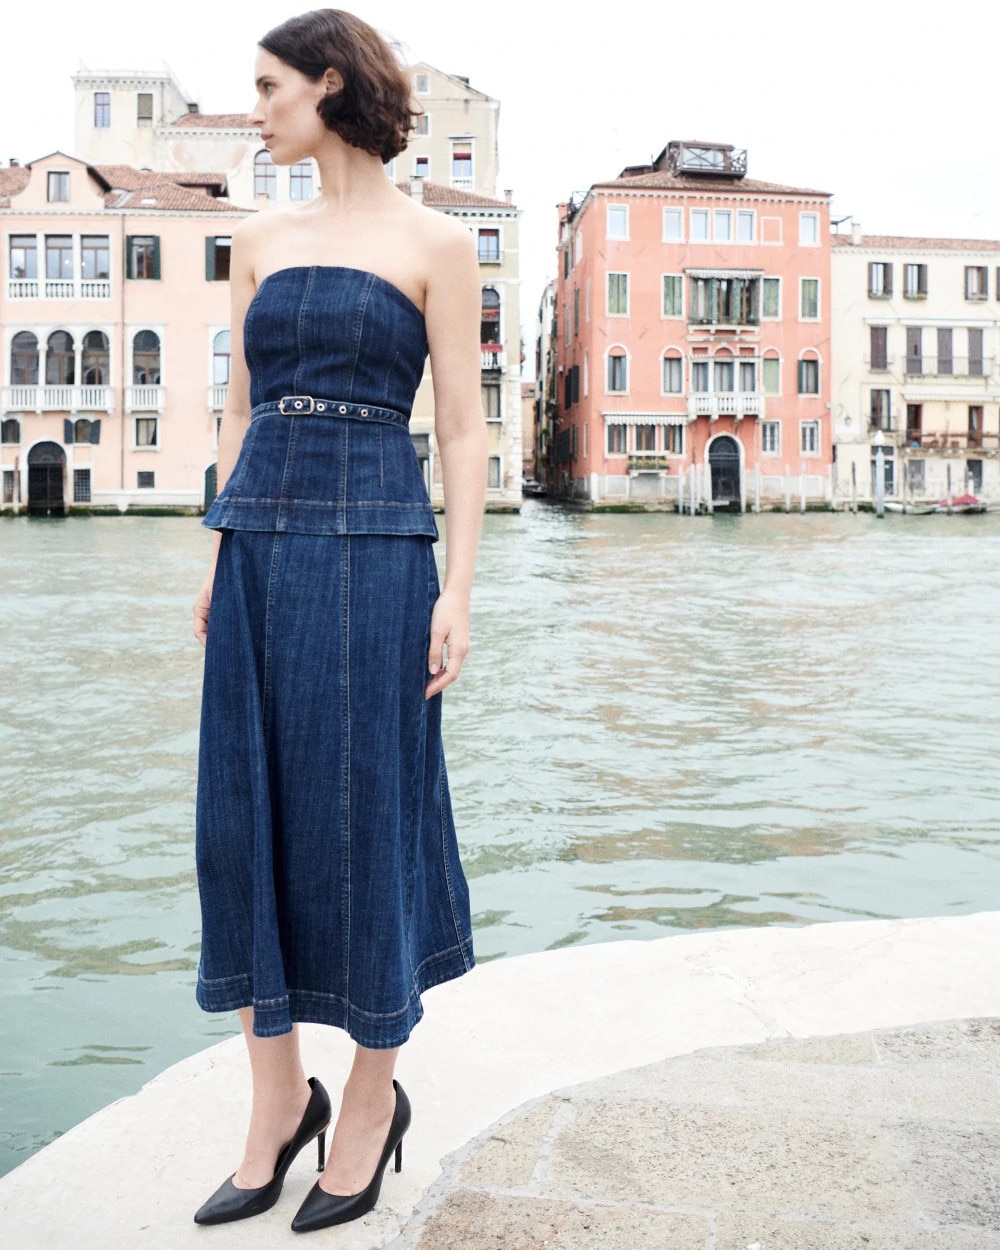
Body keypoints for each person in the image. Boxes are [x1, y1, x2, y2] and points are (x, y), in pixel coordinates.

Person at [189, 8, 486, 1234]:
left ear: (327, 84)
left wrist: (459, 589)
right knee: (241, 814)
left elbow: (461, 429)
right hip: (258, 541)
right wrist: (217, 547)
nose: (255, 109)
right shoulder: (257, 239)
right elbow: (238, 410)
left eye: (268, 87)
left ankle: (369, 1099)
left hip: (380, 551)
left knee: (367, 818)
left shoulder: (438, 242)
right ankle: (276, 1101)